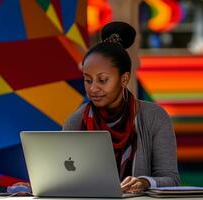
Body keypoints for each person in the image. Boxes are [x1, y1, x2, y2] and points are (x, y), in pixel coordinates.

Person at [63, 21, 180, 194]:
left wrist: (144, 182)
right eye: (88, 80)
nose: (93, 88)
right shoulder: (76, 121)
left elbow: (171, 179)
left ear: (124, 79)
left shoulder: (155, 117)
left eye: (102, 80)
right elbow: (63, 177)